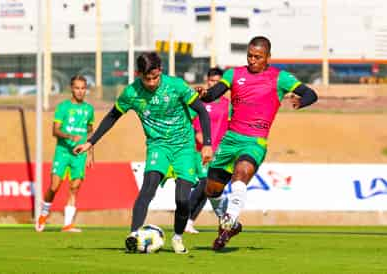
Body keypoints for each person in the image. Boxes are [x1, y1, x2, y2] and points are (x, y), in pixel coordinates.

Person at [73, 52, 213, 254]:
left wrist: (207, 143)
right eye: (146, 78)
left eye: (155, 77)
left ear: (160, 71)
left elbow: (201, 111)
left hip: (184, 147)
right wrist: (90, 142)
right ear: (138, 74)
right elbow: (113, 116)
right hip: (158, 146)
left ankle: (177, 237)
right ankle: (134, 235)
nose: (151, 82)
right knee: (148, 187)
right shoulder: (131, 93)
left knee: (182, 199)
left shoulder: (176, 86)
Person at [200, 36, 318, 250]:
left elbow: (311, 93)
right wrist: (204, 94)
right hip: (230, 140)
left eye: (258, 57)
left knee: (240, 175)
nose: (252, 60)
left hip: (254, 141)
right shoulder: (233, 74)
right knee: (212, 190)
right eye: (250, 56)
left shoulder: (280, 78)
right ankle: (229, 224)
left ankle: (230, 221)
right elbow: (212, 95)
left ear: (268, 58)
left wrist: (301, 101)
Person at [35, 75, 95, 233]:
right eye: (77, 88)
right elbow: (55, 130)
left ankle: (67, 224)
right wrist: (69, 136)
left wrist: (90, 153)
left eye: (83, 88)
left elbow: (90, 132)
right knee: (54, 186)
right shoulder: (63, 107)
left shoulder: (89, 109)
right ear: (71, 89)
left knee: (75, 187)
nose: (80, 91)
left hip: (80, 153)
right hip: (62, 152)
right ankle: (44, 213)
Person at [184, 67, 231, 234]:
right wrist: (206, 146)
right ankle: (184, 218)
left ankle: (189, 222)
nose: (214, 84)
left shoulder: (228, 105)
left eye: (218, 82)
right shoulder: (200, 102)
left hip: (220, 154)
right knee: (204, 183)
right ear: (207, 81)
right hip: (200, 152)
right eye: (211, 81)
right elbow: (197, 131)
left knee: (208, 188)